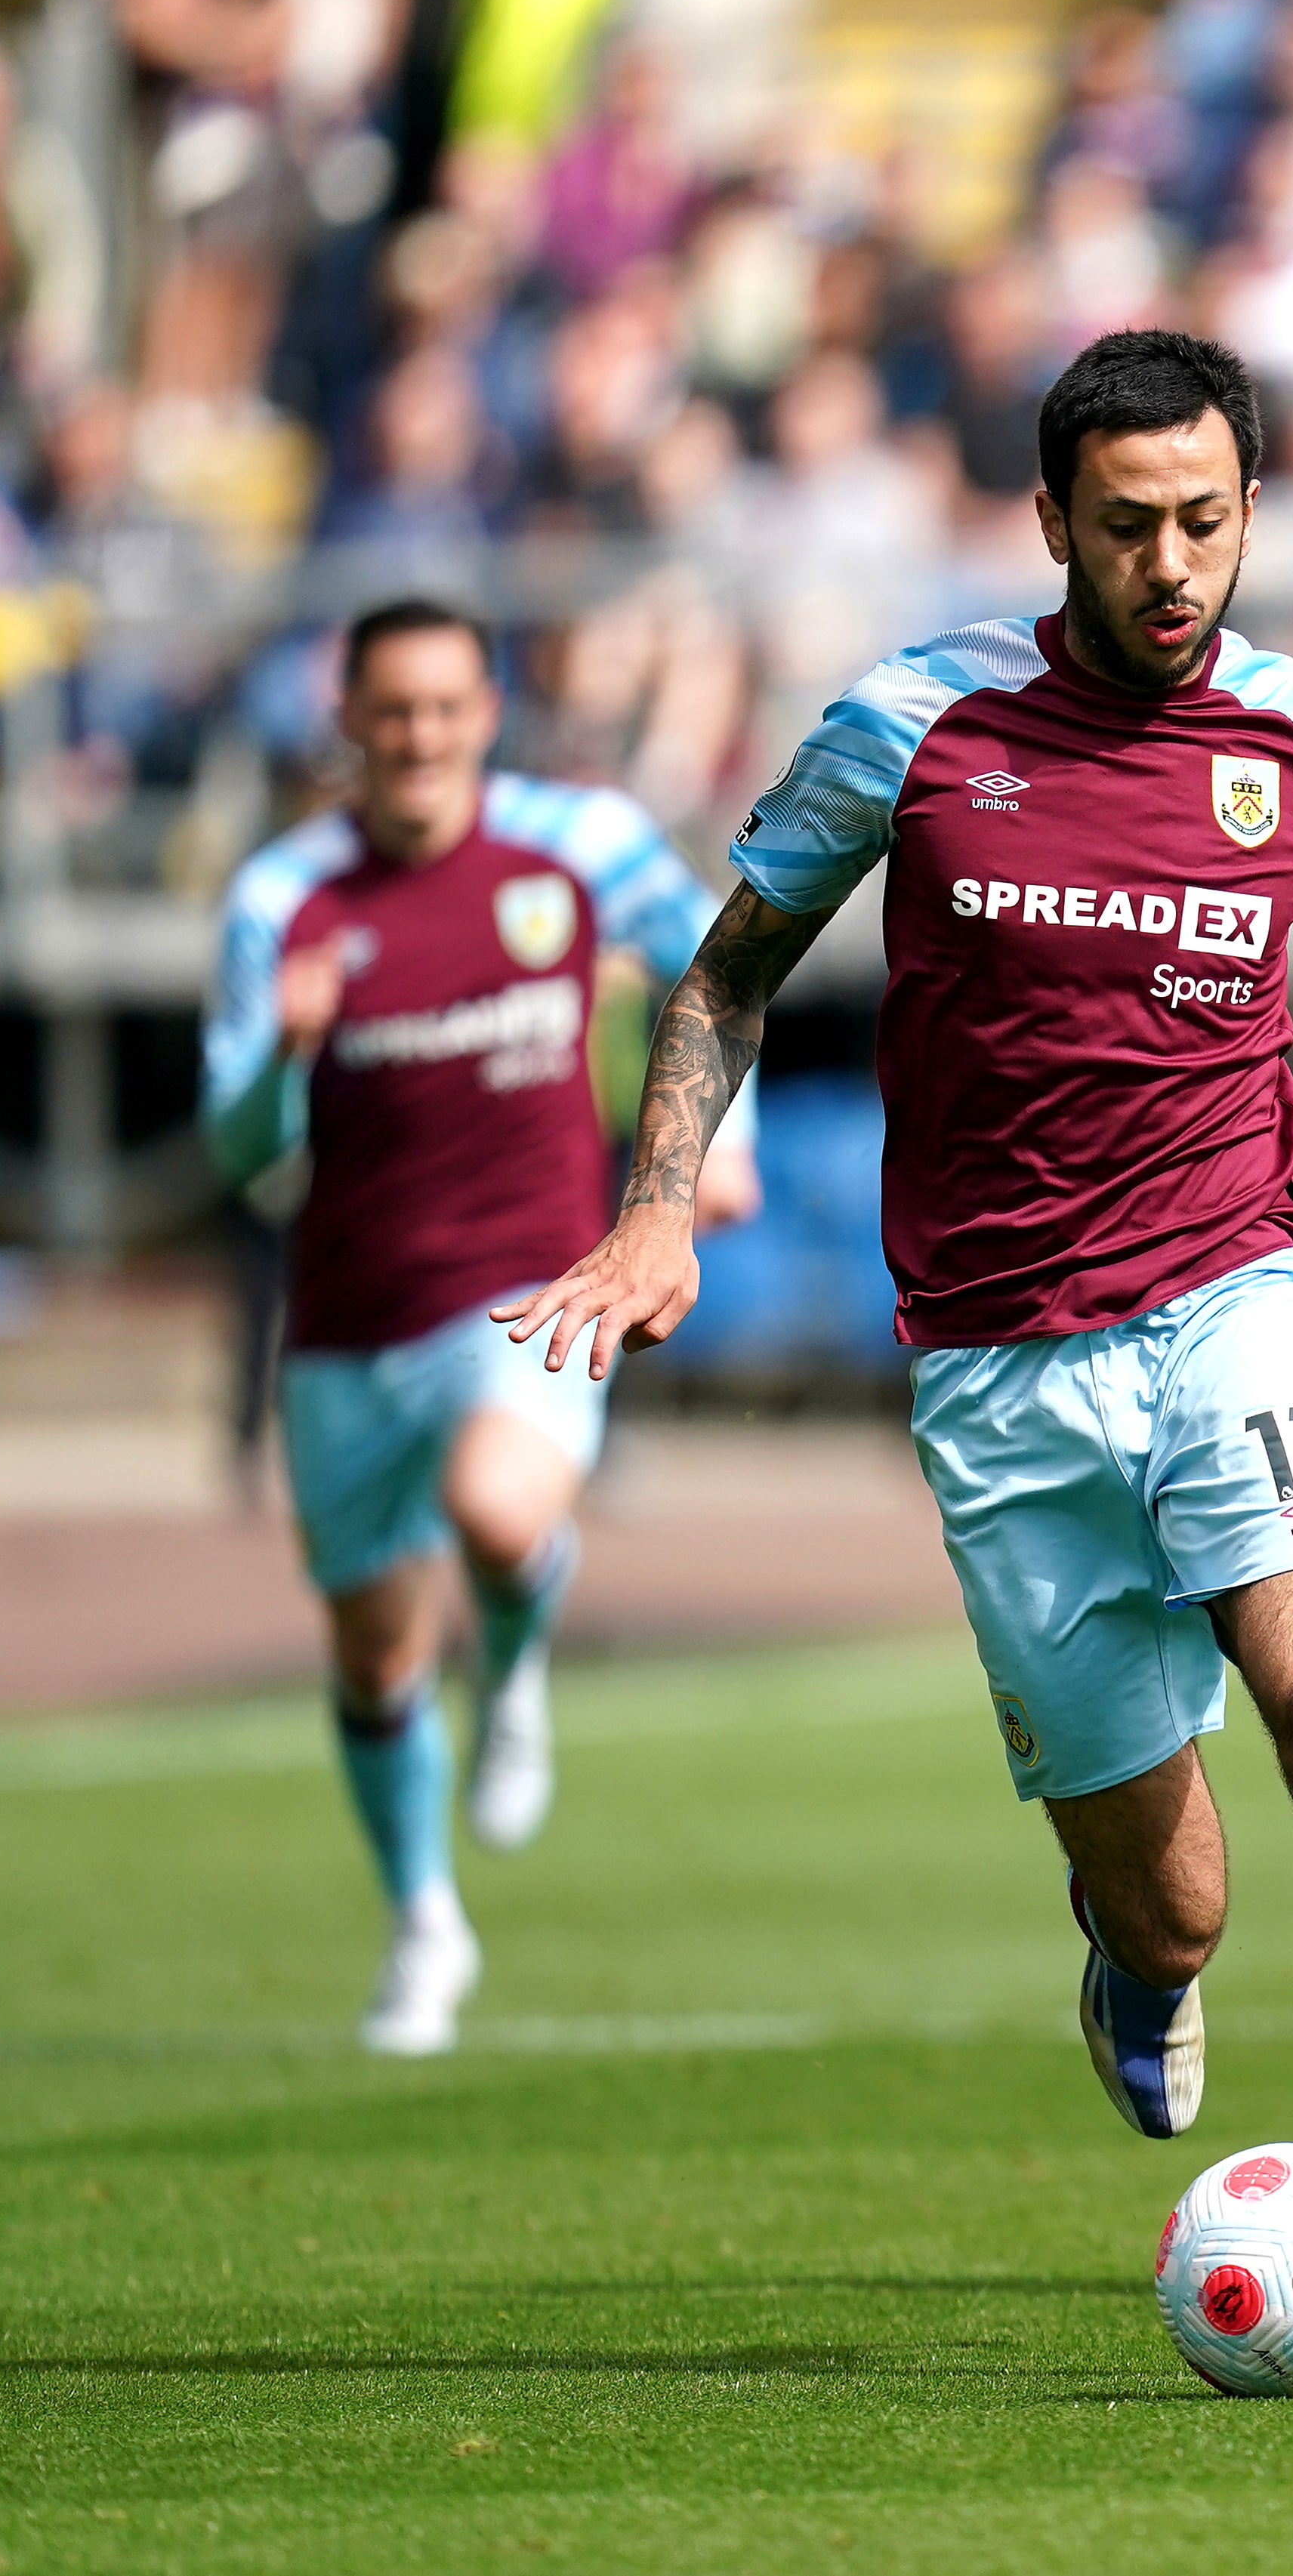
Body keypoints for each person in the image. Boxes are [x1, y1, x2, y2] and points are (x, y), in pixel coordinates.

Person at [493, 330, 1293, 2383]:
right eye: (1126, 526)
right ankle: (1131, 1975)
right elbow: (729, 969)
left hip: (1239, 1298)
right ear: (1053, 525)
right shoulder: (916, 722)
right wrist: (663, 1193)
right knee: (1177, 1905)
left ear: (1251, 515)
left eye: (1205, 521)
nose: (1171, 563)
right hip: (1001, 1370)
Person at [202, 598, 758, 2056]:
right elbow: (242, 1148)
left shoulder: (578, 844)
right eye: (393, 712)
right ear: (351, 722)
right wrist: (286, 1052)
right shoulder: (285, 898)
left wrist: (717, 1148)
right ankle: (424, 1922)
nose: (420, 738)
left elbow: (726, 973)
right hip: (346, 1320)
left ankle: (512, 1670)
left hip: (526, 1274)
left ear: (486, 711)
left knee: (498, 1508)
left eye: (446, 708)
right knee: (377, 1659)